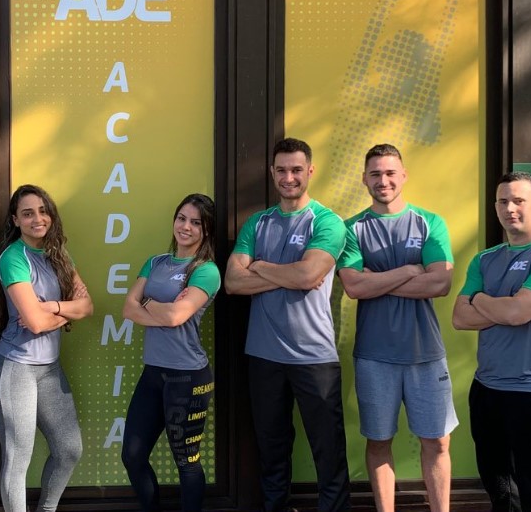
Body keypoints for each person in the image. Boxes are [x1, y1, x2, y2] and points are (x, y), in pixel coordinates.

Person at [225, 138, 351, 512]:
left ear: (310, 171)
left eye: (296, 170)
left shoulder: (327, 222)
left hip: (314, 356)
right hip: (263, 354)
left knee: (328, 450)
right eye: (281, 170)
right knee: (271, 449)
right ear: (272, 173)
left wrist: (260, 266)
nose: (289, 177)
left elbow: (309, 275)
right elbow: (232, 283)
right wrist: (291, 275)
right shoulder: (257, 223)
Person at [336, 144, 457, 512]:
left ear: (403, 175)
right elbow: (354, 287)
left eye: (390, 173)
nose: (383, 180)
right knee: (378, 441)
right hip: (375, 356)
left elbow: (441, 283)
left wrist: (377, 280)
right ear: (364, 179)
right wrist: (408, 270)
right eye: (375, 174)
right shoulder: (351, 228)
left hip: (426, 355)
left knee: (437, 442)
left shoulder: (430, 222)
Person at [452, 171, 531, 512]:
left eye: (519, 200)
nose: (509, 208)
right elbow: (460, 318)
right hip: (487, 389)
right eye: (503, 201)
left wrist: (480, 298)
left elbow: (515, 312)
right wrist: (507, 306)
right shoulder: (485, 259)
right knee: (502, 495)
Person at [0, 184, 92, 512]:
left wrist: (51, 308)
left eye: (43, 211)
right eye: (28, 213)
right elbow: (34, 323)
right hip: (15, 368)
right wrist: (63, 311)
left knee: (69, 449)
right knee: (18, 458)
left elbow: (87, 306)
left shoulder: (59, 256)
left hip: (49, 369)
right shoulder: (13, 258)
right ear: (15, 220)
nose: (38, 219)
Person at [121, 193, 222, 512]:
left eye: (196, 222)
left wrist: (148, 303)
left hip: (187, 377)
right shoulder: (155, 263)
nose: (186, 227)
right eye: (182, 218)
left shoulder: (206, 270)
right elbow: (128, 309)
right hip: (153, 373)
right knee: (132, 455)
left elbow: (177, 316)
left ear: (206, 230)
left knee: (186, 461)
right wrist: (161, 311)